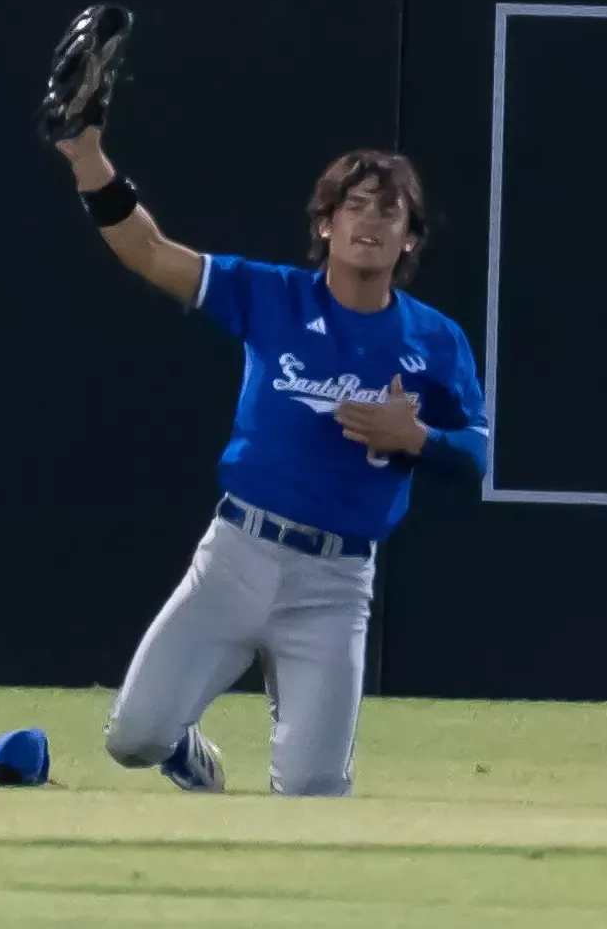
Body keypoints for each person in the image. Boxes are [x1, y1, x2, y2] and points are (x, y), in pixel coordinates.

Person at [53, 123, 488, 797]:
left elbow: (476, 458)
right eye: (354, 205)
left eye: (389, 208)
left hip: (336, 583)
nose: (369, 220)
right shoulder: (273, 295)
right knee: (134, 739)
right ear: (324, 226)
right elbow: (148, 252)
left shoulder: (435, 340)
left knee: (314, 792)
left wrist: (420, 439)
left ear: (411, 237)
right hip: (237, 554)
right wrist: (87, 157)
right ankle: (185, 750)